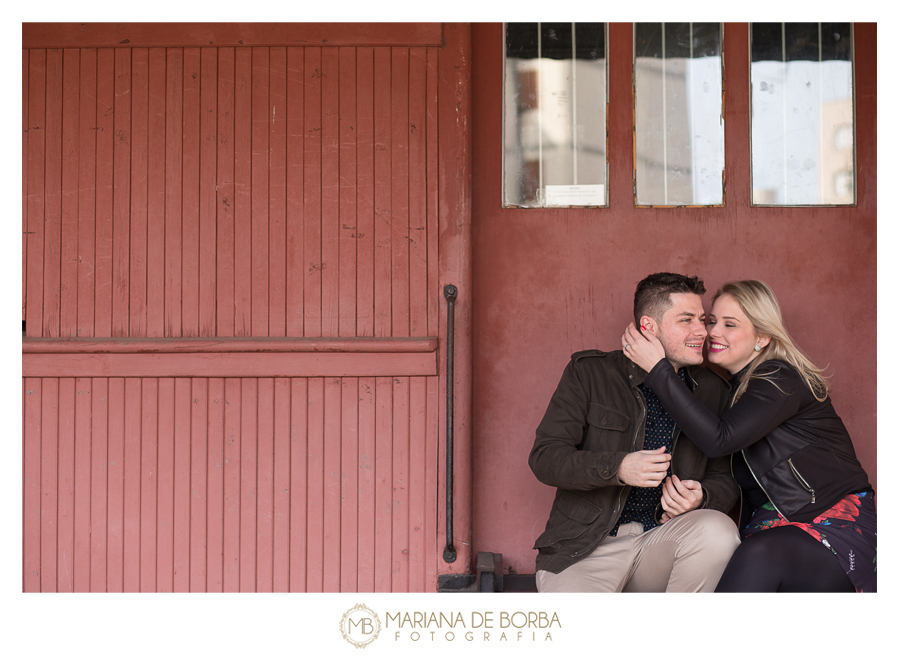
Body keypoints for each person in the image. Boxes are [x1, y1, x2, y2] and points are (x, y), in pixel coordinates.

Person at [622, 279, 876, 592]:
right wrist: (691, 500)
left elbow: (719, 440)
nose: (712, 332)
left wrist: (658, 368)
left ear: (763, 337)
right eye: (713, 321)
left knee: (758, 555)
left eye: (730, 324)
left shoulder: (779, 377)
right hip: (776, 532)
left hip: (829, 524)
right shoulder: (732, 395)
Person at [529, 272, 741, 592]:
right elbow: (546, 458)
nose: (703, 331)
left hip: (661, 542)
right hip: (587, 548)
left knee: (718, 531)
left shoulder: (712, 390)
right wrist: (619, 467)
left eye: (702, 319)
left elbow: (727, 476)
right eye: (686, 320)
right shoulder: (590, 373)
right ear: (648, 327)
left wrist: (702, 496)